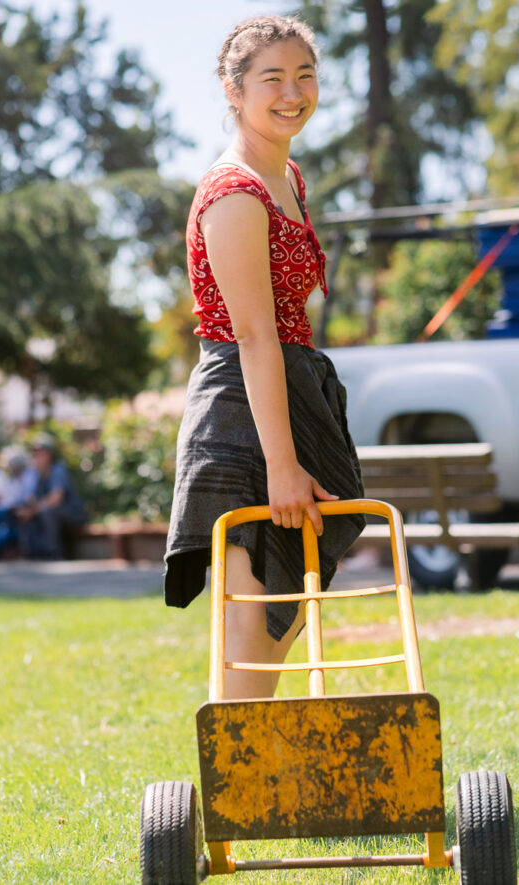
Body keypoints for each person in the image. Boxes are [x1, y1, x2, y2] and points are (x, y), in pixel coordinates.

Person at [162, 16, 364, 701]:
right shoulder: (234, 194)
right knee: (253, 626)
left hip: (289, 391)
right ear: (234, 90)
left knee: (286, 612)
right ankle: (239, 766)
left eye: (305, 76)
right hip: (241, 412)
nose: (292, 93)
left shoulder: (288, 178)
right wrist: (282, 463)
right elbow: (252, 336)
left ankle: (259, 763)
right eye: (272, 78)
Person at [16, 434, 86, 560]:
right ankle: (30, 553)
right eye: (34, 454)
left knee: (46, 511)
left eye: (40, 454)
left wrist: (32, 511)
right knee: (22, 512)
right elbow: (33, 499)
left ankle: (54, 554)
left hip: (72, 514)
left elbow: (56, 499)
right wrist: (27, 508)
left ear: (50, 455)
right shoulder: (37, 474)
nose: (36, 457)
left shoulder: (58, 470)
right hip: (53, 512)